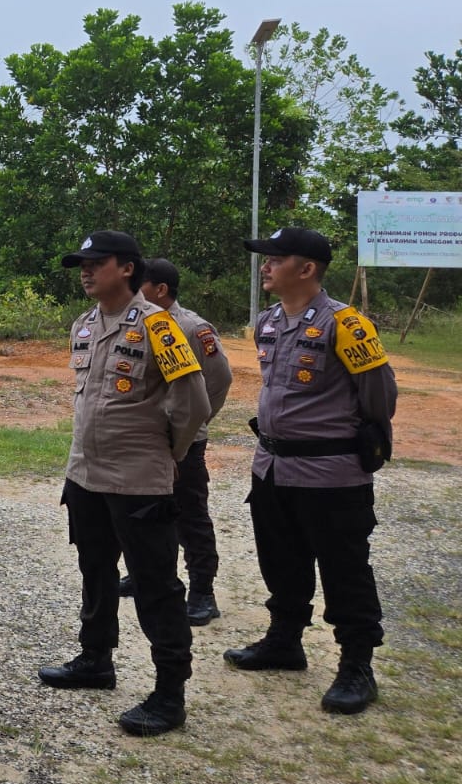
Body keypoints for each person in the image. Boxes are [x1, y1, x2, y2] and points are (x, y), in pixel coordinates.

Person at [38, 231, 209, 738]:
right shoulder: (85, 325)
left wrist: (169, 452)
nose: (86, 271)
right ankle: (96, 659)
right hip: (85, 474)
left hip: (139, 479)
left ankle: (169, 692)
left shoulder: (160, 327)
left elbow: (194, 402)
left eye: (97, 262)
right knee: (96, 570)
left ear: (128, 268)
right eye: (82, 264)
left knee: (156, 585)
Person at [223, 228, 396, 716]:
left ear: (306, 269)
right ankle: (284, 642)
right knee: (281, 560)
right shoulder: (269, 322)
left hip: (331, 473)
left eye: (275, 259)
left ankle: (357, 665)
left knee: (344, 570)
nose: (265, 266)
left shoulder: (349, 324)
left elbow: (380, 397)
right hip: (274, 467)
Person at [134, 258, 233, 624]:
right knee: (146, 512)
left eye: (141, 284)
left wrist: (193, 423)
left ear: (160, 289)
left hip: (185, 442)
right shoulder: (136, 322)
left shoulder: (192, 327)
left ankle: (203, 591)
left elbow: (219, 380)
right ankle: (149, 574)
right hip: (145, 440)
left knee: (190, 515)